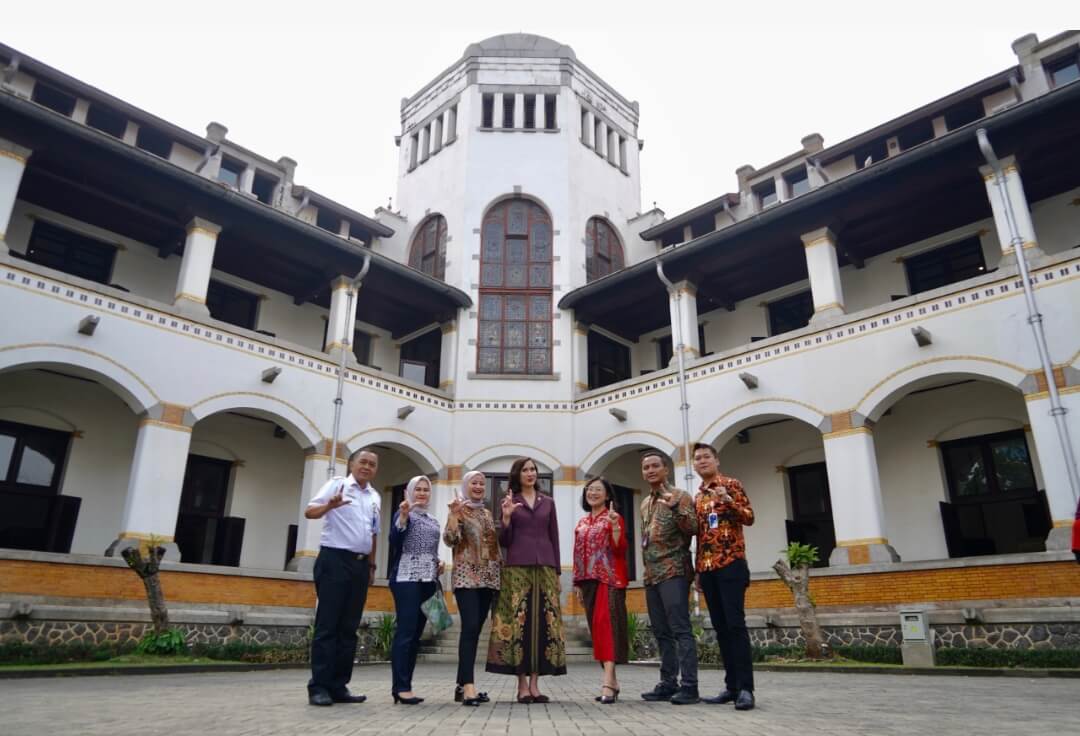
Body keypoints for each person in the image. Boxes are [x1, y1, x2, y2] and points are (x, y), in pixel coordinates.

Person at [303, 447, 381, 707]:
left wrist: (371, 566)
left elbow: (373, 533)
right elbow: (309, 512)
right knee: (328, 626)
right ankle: (319, 687)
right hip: (334, 560)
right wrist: (330, 506)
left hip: (359, 566)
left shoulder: (374, 497)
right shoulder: (337, 485)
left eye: (372, 464)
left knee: (349, 628)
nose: (367, 467)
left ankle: (339, 685)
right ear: (352, 464)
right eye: (363, 462)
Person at [486, 457, 567, 702]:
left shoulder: (548, 502)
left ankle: (535, 684)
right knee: (519, 624)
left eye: (533, 469)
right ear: (517, 475)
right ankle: (521, 684)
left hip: (545, 566)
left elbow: (554, 536)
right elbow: (505, 541)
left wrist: (557, 572)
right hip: (517, 567)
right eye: (525, 470)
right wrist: (507, 518)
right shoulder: (511, 502)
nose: (530, 473)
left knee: (542, 623)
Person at [692, 442, 756, 711]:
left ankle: (746, 689)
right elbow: (701, 536)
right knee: (720, 629)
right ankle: (731, 686)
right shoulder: (698, 497)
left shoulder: (731, 484)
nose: (702, 461)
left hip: (731, 564)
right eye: (697, 459)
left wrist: (728, 501)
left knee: (735, 625)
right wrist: (697, 571)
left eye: (706, 457)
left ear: (717, 461)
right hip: (707, 569)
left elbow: (749, 517)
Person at [638, 451, 699, 705]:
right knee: (661, 632)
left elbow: (694, 528)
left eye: (655, 466)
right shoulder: (645, 503)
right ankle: (667, 682)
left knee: (680, 629)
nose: (650, 470)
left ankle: (690, 686)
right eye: (645, 468)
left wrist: (676, 509)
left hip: (674, 570)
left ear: (666, 470)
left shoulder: (680, 496)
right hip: (652, 575)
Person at [443, 470, 500, 706]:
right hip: (466, 577)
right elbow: (449, 539)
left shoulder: (486, 512)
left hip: (489, 578)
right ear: (466, 485)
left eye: (481, 483)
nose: (478, 486)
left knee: (475, 631)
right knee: (469, 628)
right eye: (474, 483)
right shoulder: (458, 509)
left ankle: (461, 685)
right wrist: (454, 516)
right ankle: (468, 687)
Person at [572, 476, 629, 705]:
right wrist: (576, 582)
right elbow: (577, 552)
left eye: (598, 490)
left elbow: (620, 548)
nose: (593, 493)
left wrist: (614, 526)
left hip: (609, 579)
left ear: (607, 495)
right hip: (587, 581)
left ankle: (607, 682)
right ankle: (613, 682)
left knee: (607, 627)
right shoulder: (582, 523)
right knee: (597, 631)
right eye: (589, 489)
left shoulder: (614, 518)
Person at [388, 475, 444, 704]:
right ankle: (400, 687)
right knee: (406, 632)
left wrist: (438, 562)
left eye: (425, 489)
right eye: (417, 489)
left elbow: (429, 548)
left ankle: (406, 685)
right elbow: (395, 539)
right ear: (409, 492)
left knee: (415, 636)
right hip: (406, 579)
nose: (421, 493)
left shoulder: (433, 520)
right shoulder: (404, 515)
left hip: (427, 580)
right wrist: (402, 516)